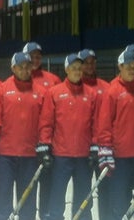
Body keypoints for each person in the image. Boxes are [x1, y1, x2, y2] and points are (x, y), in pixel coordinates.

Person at [0, 52, 47, 220]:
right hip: (5, 156)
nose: (24, 70)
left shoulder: (41, 92)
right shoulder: (1, 90)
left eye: (27, 66)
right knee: (2, 201)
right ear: (13, 68)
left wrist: (44, 143)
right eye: (20, 67)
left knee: (27, 201)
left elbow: (45, 122)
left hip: (30, 156)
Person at [96, 50, 134, 220]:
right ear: (120, 66)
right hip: (120, 159)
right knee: (119, 203)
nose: (132, 69)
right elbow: (105, 124)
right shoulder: (112, 91)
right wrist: (105, 150)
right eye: (128, 66)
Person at [38, 54, 99, 220]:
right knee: (56, 196)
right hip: (61, 156)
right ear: (66, 70)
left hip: (83, 156)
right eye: (73, 68)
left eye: (80, 68)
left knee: (83, 198)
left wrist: (95, 146)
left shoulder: (92, 94)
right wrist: (45, 146)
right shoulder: (54, 92)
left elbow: (96, 123)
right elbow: (46, 123)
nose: (77, 71)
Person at [21, 41, 60, 217]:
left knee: (47, 184)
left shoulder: (52, 80)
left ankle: (46, 215)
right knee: (26, 186)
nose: (35, 59)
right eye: (31, 56)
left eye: (38, 56)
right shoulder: (21, 76)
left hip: (48, 143)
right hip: (26, 145)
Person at [77, 48, 112, 219]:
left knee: (106, 190)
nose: (90, 65)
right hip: (83, 150)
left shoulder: (107, 87)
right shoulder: (76, 87)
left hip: (104, 148)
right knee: (84, 192)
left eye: (92, 62)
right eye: (86, 62)